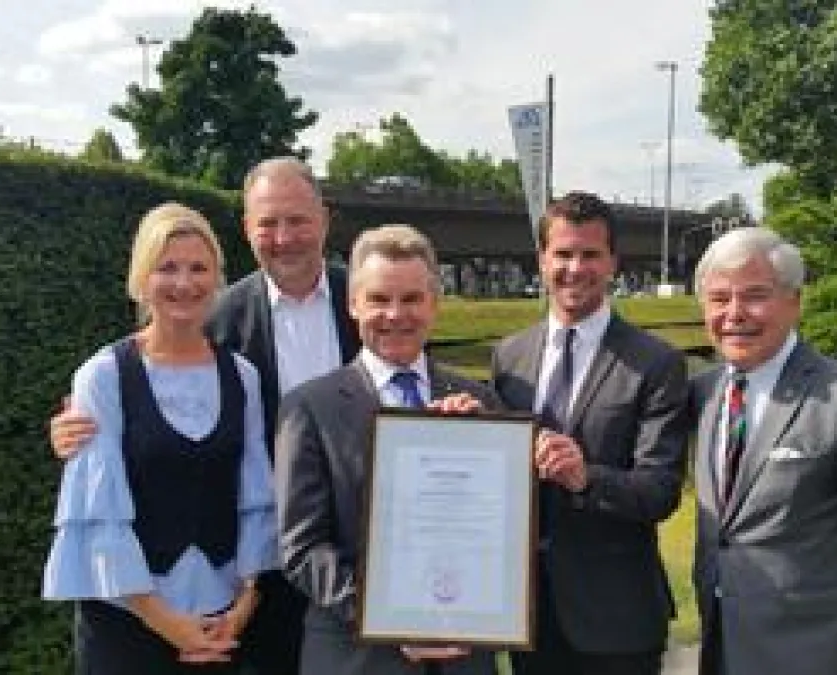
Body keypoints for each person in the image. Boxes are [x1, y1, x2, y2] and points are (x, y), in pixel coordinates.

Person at [49, 158, 362, 674]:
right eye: (268, 223)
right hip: (188, 614)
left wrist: (451, 416)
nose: (284, 237)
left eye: (298, 220)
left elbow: (403, 388)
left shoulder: (370, 303)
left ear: (324, 219)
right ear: (248, 229)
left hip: (333, 560)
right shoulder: (217, 319)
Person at [688, 227, 837, 675]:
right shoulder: (702, 394)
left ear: (795, 301)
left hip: (823, 652)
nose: (735, 313)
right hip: (724, 646)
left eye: (755, 296)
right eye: (719, 298)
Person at [42, 203, 276, 674]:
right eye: (167, 268)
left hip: (220, 623)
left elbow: (255, 497)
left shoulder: (243, 376)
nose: (184, 283)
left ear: (217, 278)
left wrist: (243, 606)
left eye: (198, 268)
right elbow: (101, 514)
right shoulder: (102, 376)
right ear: (141, 279)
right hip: (127, 623)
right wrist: (166, 624)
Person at [275, 224, 498, 675]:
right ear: (353, 304)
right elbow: (302, 549)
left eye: (412, 299)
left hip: (463, 658)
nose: (395, 314)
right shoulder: (309, 408)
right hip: (354, 656)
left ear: (434, 304)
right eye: (378, 299)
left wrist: (483, 449)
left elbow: (502, 533)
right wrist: (390, 618)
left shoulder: (481, 403)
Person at [490, 191, 690, 675]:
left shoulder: (657, 364)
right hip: (529, 616)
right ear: (541, 259)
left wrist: (586, 478)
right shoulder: (509, 357)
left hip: (616, 620)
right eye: (562, 254)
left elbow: (660, 491)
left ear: (613, 262)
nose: (575, 268)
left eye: (590, 254)